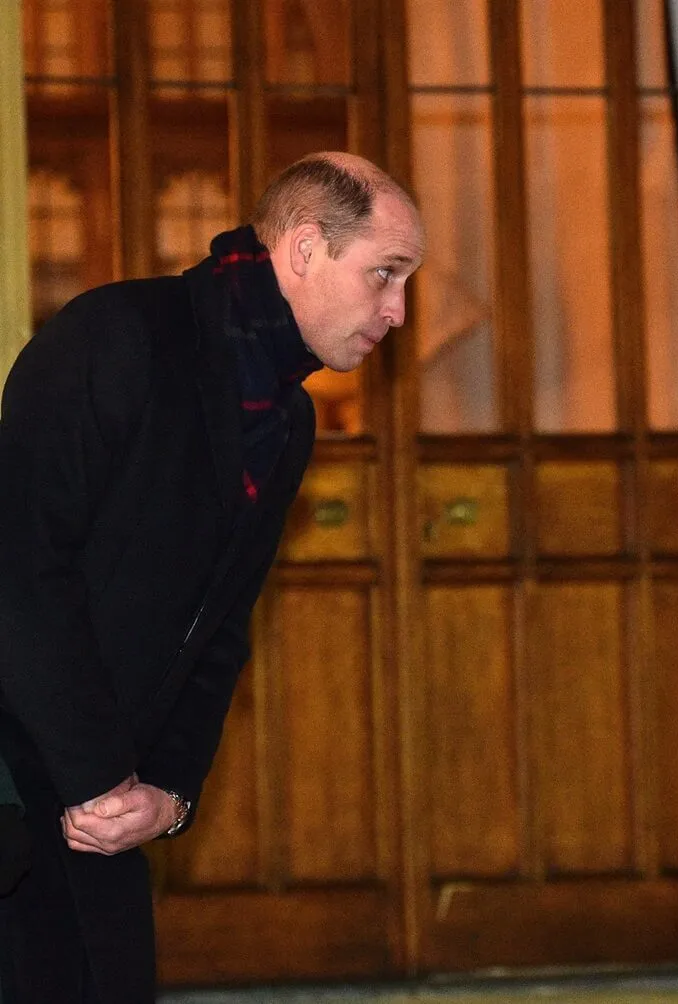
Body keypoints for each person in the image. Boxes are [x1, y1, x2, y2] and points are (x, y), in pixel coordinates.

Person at [0, 152, 425, 1003]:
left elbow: (220, 628)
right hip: (18, 789)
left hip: (104, 810)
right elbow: (20, 573)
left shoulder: (289, 418)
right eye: (385, 273)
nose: (398, 310)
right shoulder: (114, 337)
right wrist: (99, 778)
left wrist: (168, 793)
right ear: (304, 249)